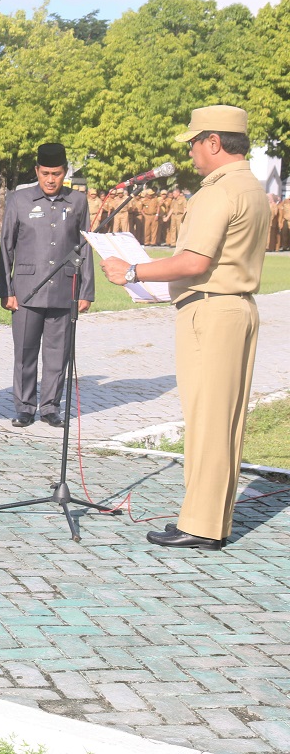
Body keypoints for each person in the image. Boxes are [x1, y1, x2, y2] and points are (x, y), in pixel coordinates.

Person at [104, 106, 267, 550]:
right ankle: (205, 517)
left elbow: (196, 261)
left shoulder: (218, 192)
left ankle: (203, 525)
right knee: (220, 421)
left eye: (195, 142)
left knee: (208, 421)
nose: (191, 152)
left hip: (213, 312)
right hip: (234, 307)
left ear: (214, 142)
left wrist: (134, 272)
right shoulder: (251, 186)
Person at [0, 143, 94, 429]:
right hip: (27, 290)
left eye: (57, 173)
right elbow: (6, 246)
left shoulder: (77, 202)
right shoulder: (19, 199)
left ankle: (51, 407)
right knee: (25, 354)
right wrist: (7, 290)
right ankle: (24, 407)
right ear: (36, 171)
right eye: (45, 173)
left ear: (65, 172)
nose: (51, 179)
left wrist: (85, 291)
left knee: (58, 353)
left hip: (64, 290)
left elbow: (85, 247)